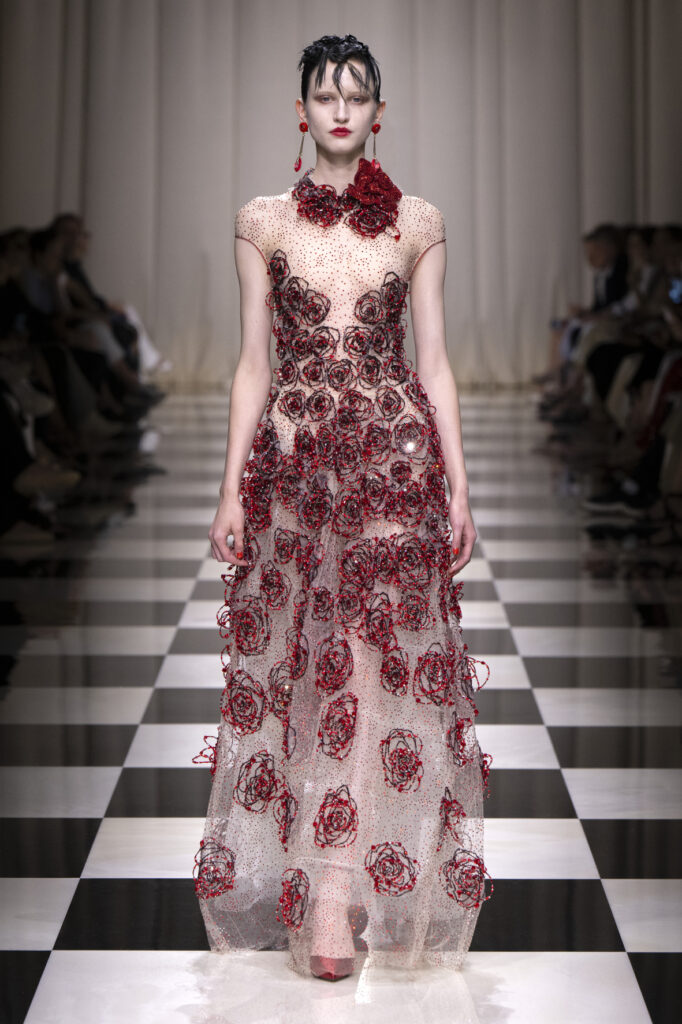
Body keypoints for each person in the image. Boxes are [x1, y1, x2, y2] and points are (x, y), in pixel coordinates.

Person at [193, 33, 493, 983]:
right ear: (301, 110)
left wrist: (460, 481)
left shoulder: (419, 221)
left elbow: (434, 360)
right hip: (295, 464)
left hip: (392, 460)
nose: (339, 110)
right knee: (302, 662)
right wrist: (228, 485)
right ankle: (326, 868)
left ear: (378, 113)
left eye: (356, 96)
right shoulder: (261, 221)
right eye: (324, 95)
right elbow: (252, 364)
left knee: (368, 662)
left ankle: (332, 888)